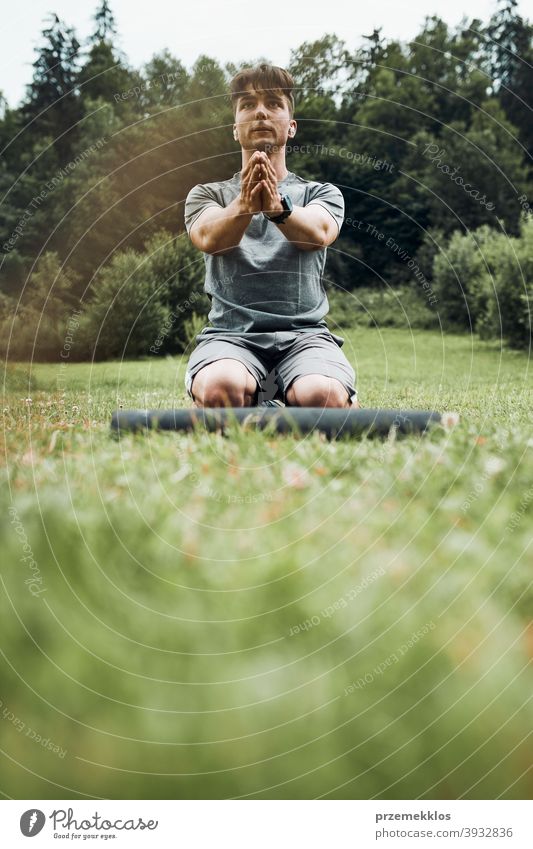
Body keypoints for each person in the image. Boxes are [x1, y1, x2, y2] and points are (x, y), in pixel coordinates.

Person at [183, 63, 358, 409]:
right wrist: (246, 204)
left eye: (273, 104)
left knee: (322, 397)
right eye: (247, 105)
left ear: (291, 127)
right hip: (230, 337)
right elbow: (208, 238)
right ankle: (263, 401)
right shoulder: (207, 195)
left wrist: (279, 209)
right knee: (221, 388)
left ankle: (287, 400)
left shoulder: (321, 193)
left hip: (305, 337)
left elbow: (319, 233)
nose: (260, 111)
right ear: (235, 129)